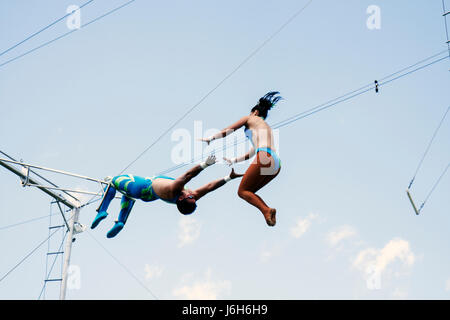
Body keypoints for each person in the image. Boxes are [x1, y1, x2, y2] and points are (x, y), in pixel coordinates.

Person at [91, 155, 243, 238]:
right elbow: (210, 187)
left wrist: (205, 164)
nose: (192, 194)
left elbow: (188, 175)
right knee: (128, 196)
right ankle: (121, 222)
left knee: (112, 181)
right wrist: (228, 178)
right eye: (193, 197)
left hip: (142, 186)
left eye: (190, 197)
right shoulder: (190, 197)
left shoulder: (174, 190)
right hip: (148, 196)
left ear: (182, 199)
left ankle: (102, 211)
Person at [199, 91, 282, 227]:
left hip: (264, 156)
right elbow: (253, 151)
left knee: (242, 191)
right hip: (276, 162)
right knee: (249, 192)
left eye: (251, 113)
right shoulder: (264, 126)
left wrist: (211, 138)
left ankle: (267, 210)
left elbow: (228, 130)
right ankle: (267, 211)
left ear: (254, 112)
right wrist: (234, 160)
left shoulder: (249, 118)